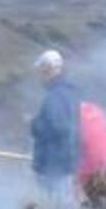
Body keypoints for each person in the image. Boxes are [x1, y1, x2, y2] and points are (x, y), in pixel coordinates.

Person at [29, 49, 81, 197]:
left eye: (41, 71)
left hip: (54, 168)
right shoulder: (70, 93)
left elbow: (58, 128)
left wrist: (35, 125)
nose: (40, 77)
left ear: (48, 70)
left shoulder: (54, 97)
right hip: (66, 164)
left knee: (55, 206)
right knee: (63, 204)